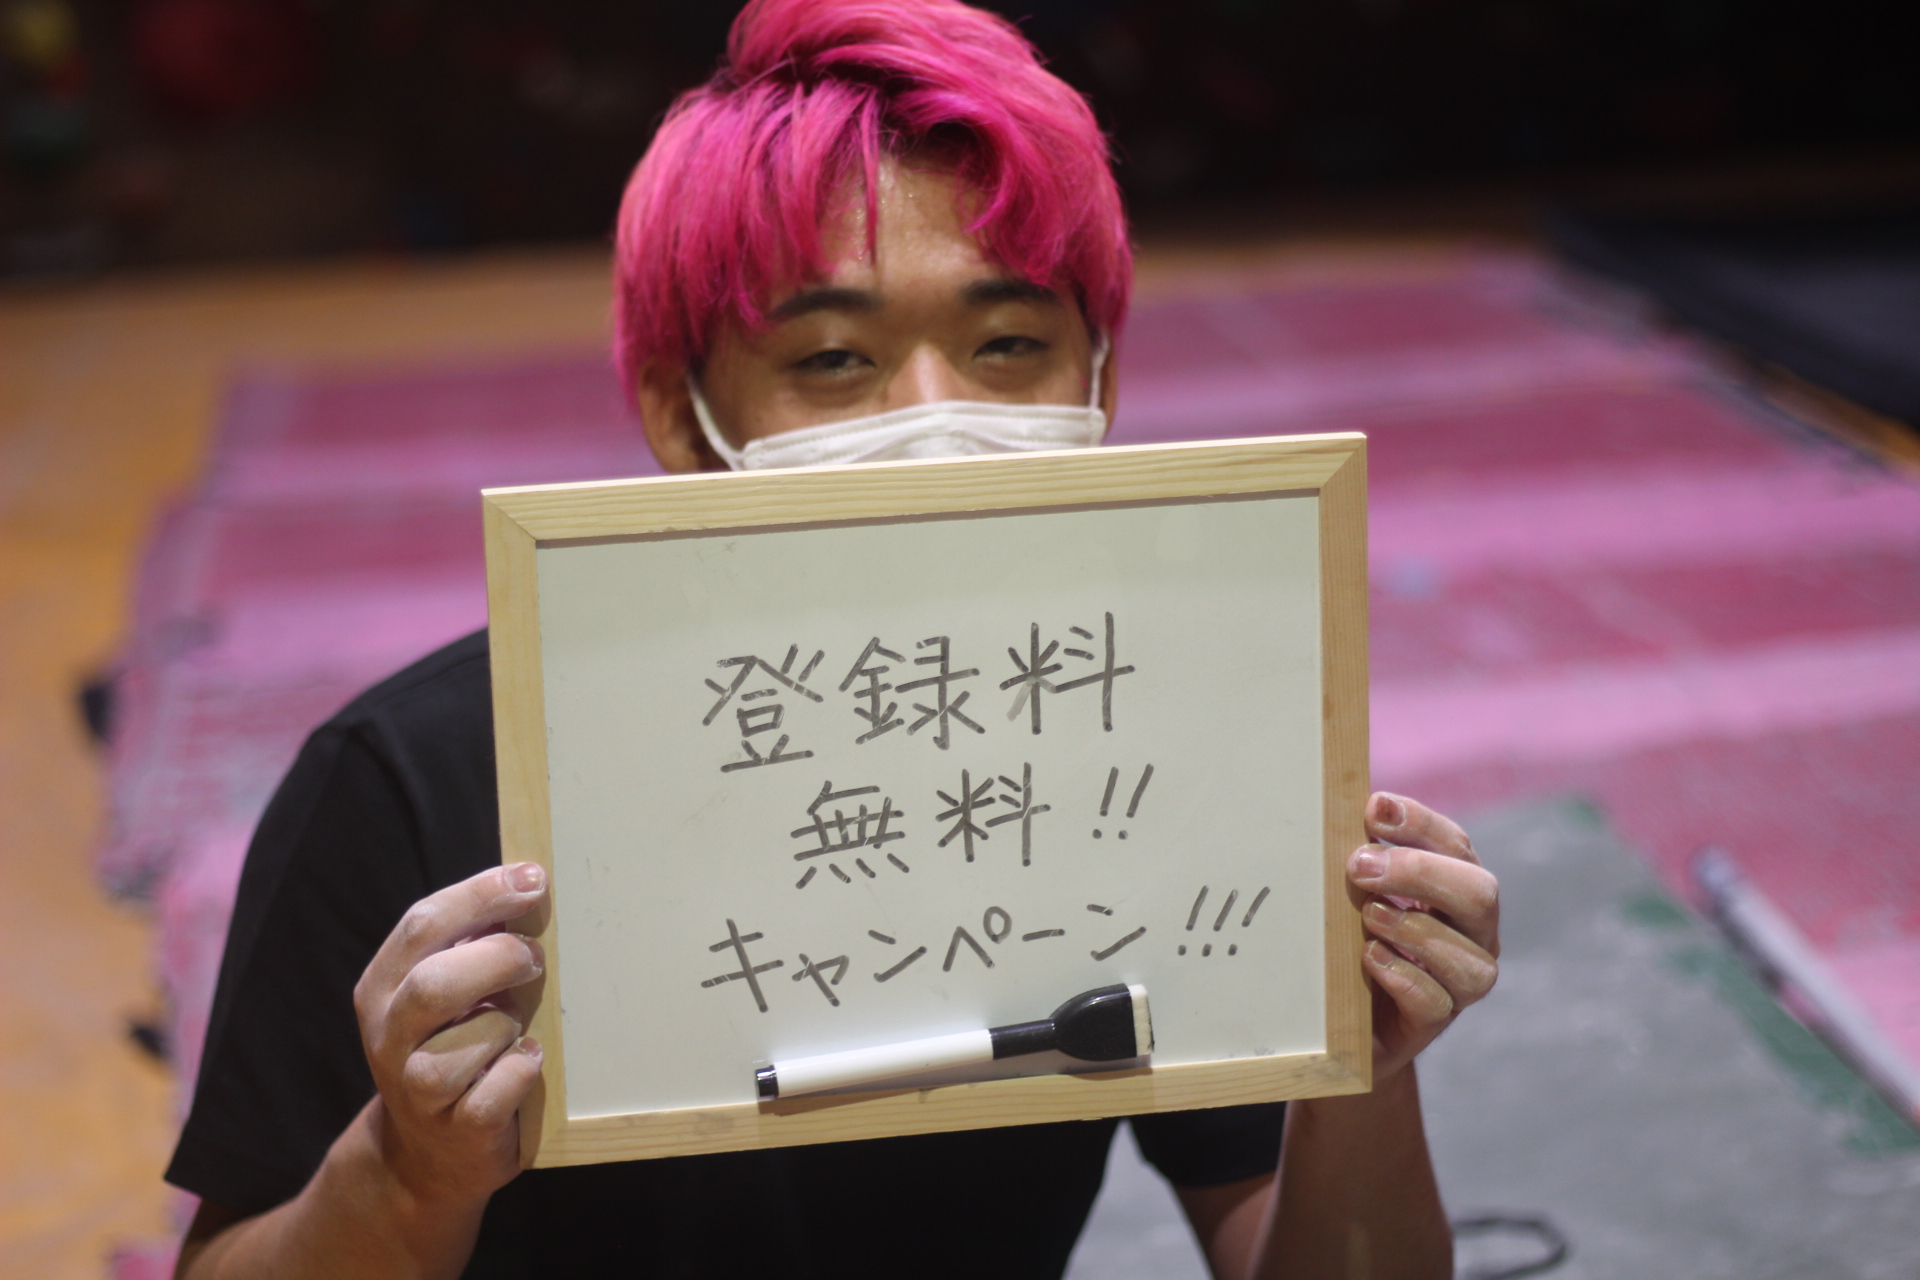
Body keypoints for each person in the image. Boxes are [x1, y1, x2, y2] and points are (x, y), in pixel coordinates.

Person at [167, 2, 1501, 1277]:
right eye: (833, 362)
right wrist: (405, 1177)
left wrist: (1366, 1072)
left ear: (1100, 383)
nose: (935, 420)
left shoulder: (1159, 754)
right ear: (681, 415)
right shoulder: (410, 778)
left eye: (1008, 342)